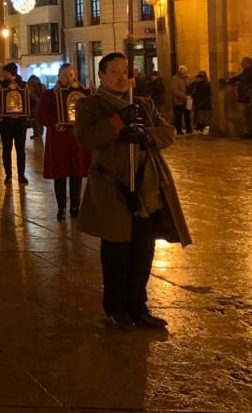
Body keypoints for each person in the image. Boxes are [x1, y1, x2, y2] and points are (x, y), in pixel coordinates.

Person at [75, 52, 191, 331]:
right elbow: (86, 138)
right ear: (101, 75)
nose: (120, 76)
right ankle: (116, 308)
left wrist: (146, 136)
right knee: (117, 250)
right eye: (113, 71)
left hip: (145, 187)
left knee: (142, 249)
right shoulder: (90, 105)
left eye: (125, 71)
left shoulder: (143, 104)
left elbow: (168, 131)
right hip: (111, 188)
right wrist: (117, 122)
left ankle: (139, 306)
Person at [37, 64, 91, 220]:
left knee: (77, 174)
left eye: (72, 74)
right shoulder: (49, 95)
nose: (69, 78)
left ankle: (75, 207)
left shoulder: (80, 93)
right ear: (59, 76)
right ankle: (61, 207)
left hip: (75, 139)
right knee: (60, 174)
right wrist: (54, 124)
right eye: (66, 75)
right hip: (58, 139)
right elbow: (42, 115)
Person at [0, 62, 29, 185]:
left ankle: (21, 175)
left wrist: (28, 116)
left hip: (20, 124)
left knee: (20, 150)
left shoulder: (24, 86)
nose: (3, 74)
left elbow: (33, 101)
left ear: (11, 73)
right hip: (6, 124)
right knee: (6, 149)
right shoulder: (0, 86)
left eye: (5, 72)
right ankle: (8, 175)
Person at [222, 57, 252, 138]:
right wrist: (228, 81)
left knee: (250, 116)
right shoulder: (245, 72)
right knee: (246, 116)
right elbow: (237, 78)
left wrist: (245, 89)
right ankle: (249, 132)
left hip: (248, 97)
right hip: (244, 97)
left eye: (243, 62)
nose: (241, 64)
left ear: (248, 63)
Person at [170, 66, 192, 135]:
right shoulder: (175, 79)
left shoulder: (187, 78)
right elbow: (175, 90)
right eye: (183, 73)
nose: (184, 74)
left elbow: (189, 86)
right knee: (178, 116)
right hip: (178, 101)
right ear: (179, 72)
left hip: (187, 101)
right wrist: (184, 96)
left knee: (187, 115)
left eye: (185, 73)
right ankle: (179, 129)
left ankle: (188, 128)